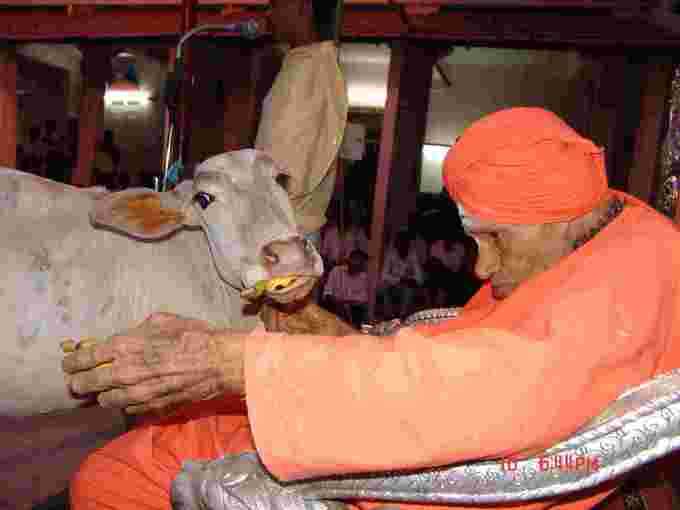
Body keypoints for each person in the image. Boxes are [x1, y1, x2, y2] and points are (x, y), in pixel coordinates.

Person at [64, 108, 680, 510]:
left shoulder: (618, 295)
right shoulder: (607, 223)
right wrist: (314, 330)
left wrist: (232, 360)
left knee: (111, 478)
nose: (483, 269)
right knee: (157, 433)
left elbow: (477, 393)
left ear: (562, 216)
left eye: (497, 240)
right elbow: (465, 347)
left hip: (410, 476)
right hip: (404, 423)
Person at [377, 230, 426, 319]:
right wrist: (399, 280)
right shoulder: (390, 253)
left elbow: (420, 278)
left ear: (408, 243)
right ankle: (389, 316)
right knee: (383, 286)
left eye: (405, 242)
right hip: (393, 285)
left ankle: (402, 316)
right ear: (396, 244)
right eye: (400, 242)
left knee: (409, 288)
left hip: (405, 287)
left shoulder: (413, 255)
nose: (402, 244)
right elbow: (383, 275)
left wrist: (410, 280)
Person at [322, 249, 370, 327]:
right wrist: (338, 302)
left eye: (361, 263)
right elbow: (327, 292)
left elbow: (362, 299)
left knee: (358, 311)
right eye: (356, 261)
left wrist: (345, 303)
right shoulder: (336, 271)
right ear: (349, 260)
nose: (359, 265)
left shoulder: (363, 277)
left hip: (351, 308)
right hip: (334, 305)